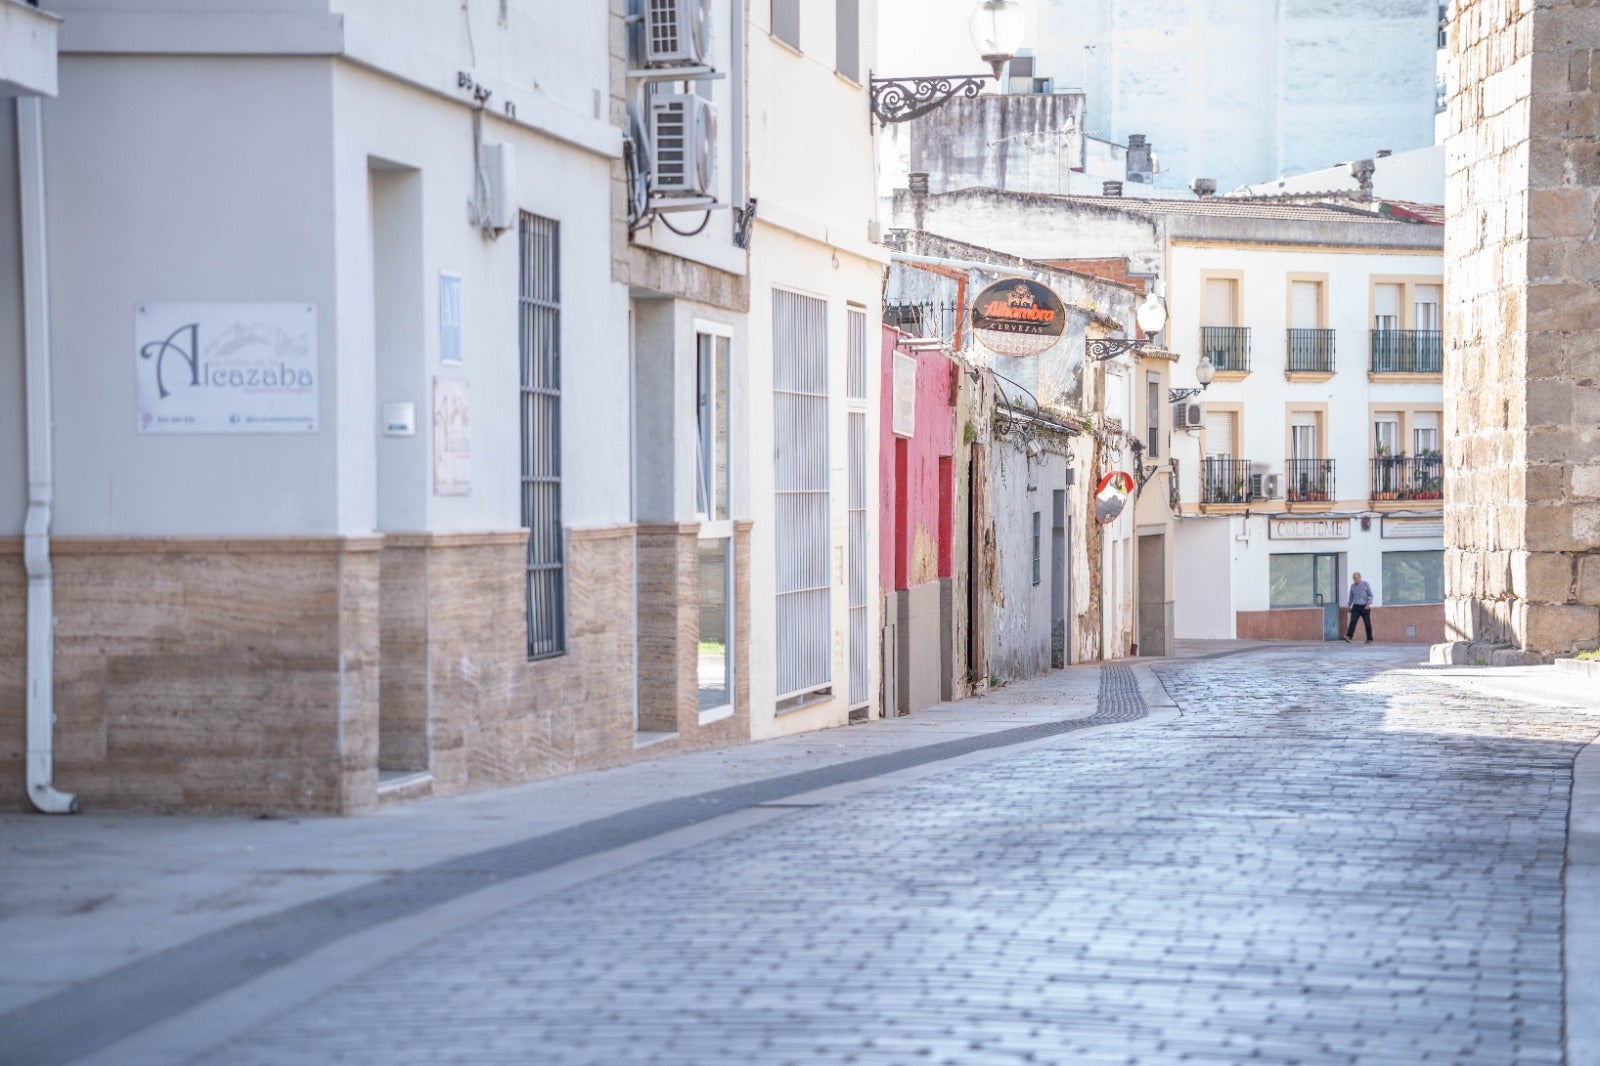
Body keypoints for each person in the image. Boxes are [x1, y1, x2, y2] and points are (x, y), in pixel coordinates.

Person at [1342, 571, 1375, 643]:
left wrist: (1368, 604)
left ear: (1360, 577)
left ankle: (1369, 638)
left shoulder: (1365, 584)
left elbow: (1370, 595)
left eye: (1356, 578)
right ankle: (1349, 636)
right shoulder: (1352, 586)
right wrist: (1349, 606)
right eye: (1353, 578)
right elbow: (1351, 597)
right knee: (1353, 621)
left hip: (1364, 606)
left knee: (1367, 622)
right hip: (1356, 606)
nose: (1355, 579)